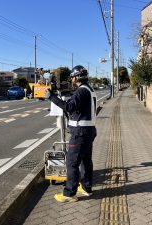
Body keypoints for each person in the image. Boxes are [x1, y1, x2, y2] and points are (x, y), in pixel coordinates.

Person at [45, 65, 97, 203]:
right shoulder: (89, 89)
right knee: (86, 161)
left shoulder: (80, 91)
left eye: (73, 77)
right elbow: (76, 106)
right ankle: (86, 188)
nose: (72, 79)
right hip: (88, 131)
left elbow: (69, 107)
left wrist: (52, 97)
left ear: (76, 77)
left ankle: (69, 193)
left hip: (80, 133)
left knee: (72, 162)